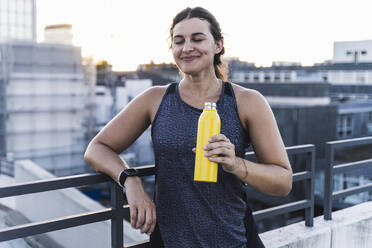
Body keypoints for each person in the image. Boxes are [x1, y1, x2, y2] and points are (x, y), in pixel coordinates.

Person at [84, 6, 292, 248]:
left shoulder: (247, 102)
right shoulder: (155, 99)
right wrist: (131, 181)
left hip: (234, 240)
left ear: (218, 45)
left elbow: (283, 181)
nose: (187, 48)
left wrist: (235, 163)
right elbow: (97, 148)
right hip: (169, 241)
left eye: (198, 38)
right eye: (178, 41)